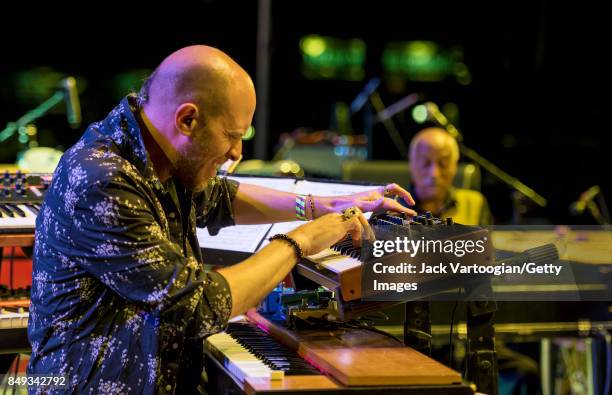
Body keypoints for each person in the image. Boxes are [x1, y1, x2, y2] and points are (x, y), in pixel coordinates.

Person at [27, 45, 416, 394]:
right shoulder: (104, 181)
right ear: (188, 120)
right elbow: (199, 305)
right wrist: (299, 241)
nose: (236, 151)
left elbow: (219, 198)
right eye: (232, 135)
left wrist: (326, 205)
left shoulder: (152, 148)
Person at [403, 126, 492, 225]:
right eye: (426, 163)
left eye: (443, 164)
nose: (434, 174)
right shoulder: (393, 209)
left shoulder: (475, 204)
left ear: (454, 166)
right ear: (411, 165)